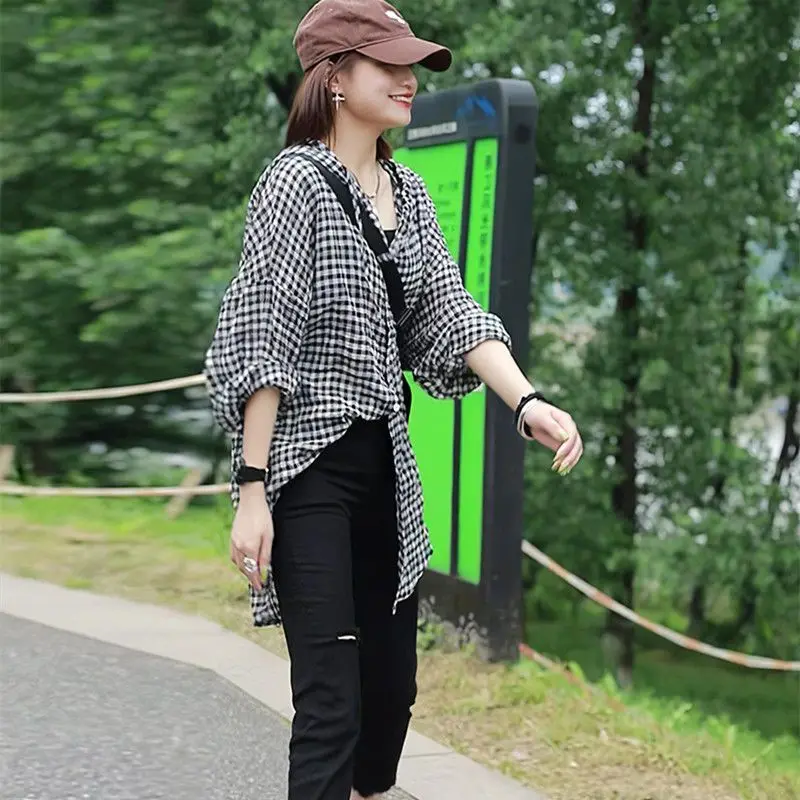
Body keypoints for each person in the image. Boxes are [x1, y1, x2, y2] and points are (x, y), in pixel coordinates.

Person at [203, 0, 584, 797]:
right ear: (335, 79)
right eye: (390, 64)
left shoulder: (407, 192)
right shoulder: (294, 183)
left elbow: (449, 310)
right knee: (330, 702)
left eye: (412, 65)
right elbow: (266, 336)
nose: (409, 79)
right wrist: (252, 489)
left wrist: (527, 402)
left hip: (387, 470)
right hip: (305, 471)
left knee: (390, 700)